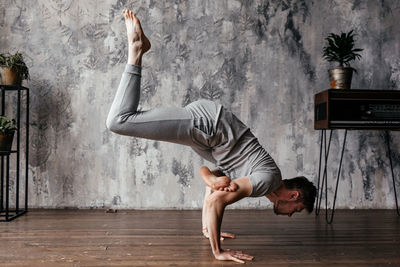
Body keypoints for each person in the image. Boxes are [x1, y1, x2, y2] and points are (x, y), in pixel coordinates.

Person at [106, 9, 317, 264]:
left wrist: (210, 227)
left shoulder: (264, 179)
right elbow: (218, 198)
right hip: (209, 127)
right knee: (119, 121)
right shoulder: (267, 181)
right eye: (297, 210)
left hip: (209, 134)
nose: (292, 214)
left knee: (124, 121)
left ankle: (139, 49)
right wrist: (218, 252)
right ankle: (136, 50)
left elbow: (209, 177)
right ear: (294, 196)